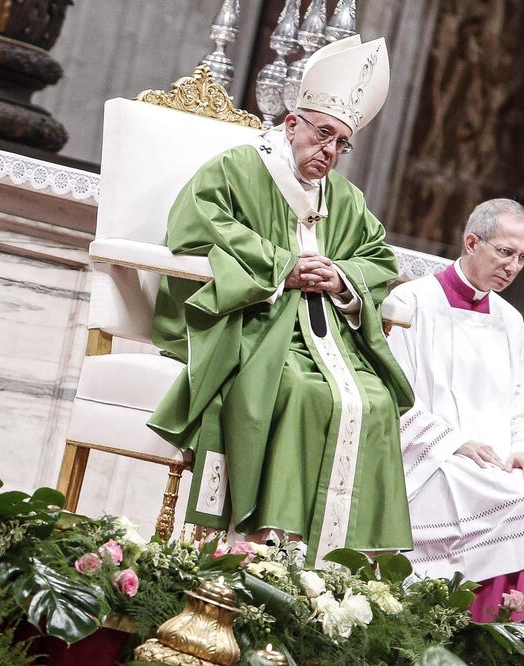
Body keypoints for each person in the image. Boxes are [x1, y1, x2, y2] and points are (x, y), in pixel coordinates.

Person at [149, 35, 414, 566]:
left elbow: (381, 259)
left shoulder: (343, 197)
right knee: (293, 387)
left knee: (376, 401)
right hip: (253, 324)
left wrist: (339, 278)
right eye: (323, 135)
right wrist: (281, 268)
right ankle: (257, 541)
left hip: (325, 335)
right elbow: (195, 225)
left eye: (342, 143)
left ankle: (327, 563)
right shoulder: (238, 169)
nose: (330, 152)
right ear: (292, 123)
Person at [385, 199, 524, 620]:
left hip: (494, 462)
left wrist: (519, 447)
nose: (513, 266)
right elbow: (395, 396)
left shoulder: (512, 321)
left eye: (521, 258)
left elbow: (518, 400)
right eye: (504, 251)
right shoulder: (411, 302)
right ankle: (476, 625)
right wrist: (456, 442)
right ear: (470, 242)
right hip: (431, 457)